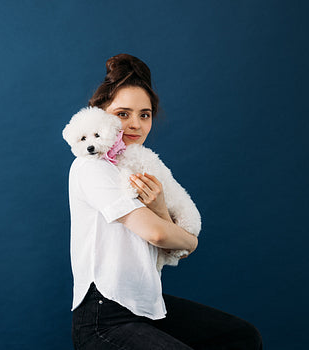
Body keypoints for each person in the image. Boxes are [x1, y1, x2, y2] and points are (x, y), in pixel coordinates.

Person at [68, 53, 262, 349]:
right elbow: (161, 235)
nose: (135, 124)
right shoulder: (91, 165)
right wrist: (190, 240)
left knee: (241, 337)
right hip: (104, 315)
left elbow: (174, 246)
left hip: (145, 304)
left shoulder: (136, 166)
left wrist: (159, 208)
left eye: (144, 115)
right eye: (123, 114)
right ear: (100, 114)